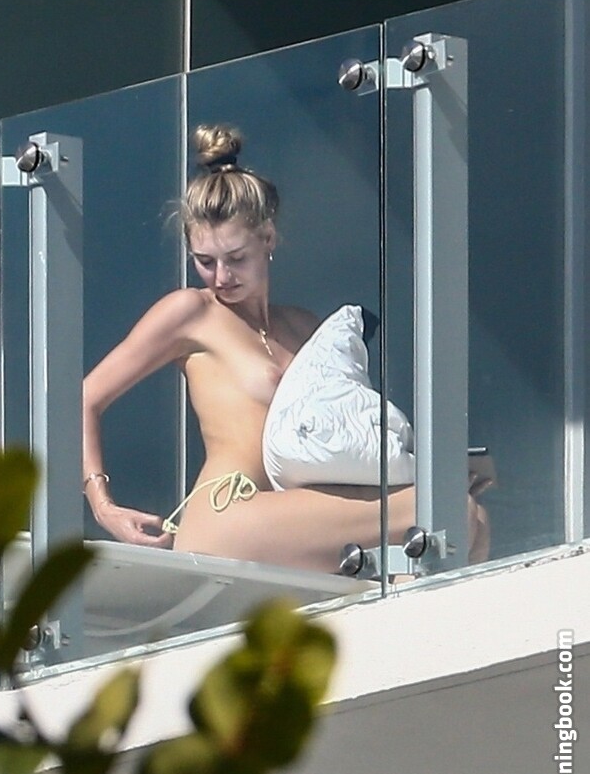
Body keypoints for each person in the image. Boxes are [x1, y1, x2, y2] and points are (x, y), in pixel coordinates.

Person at [82, 124, 489, 574]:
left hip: (290, 516)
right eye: (205, 262)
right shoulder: (191, 311)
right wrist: (103, 506)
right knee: (443, 508)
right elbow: (83, 399)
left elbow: (348, 436)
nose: (221, 277)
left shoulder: (304, 327)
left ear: (268, 238)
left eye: (236, 258)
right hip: (228, 515)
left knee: (468, 518)